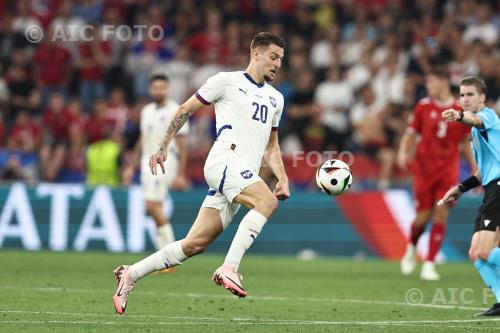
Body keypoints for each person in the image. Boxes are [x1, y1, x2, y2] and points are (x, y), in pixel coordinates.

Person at [112, 32, 290, 315]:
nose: (278, 64)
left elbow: (272, 144)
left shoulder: (276, 99)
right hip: (224, 161)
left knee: (194, 244)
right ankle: (229, 268)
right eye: (273, 57)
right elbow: (185, 109)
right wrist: (162, 146)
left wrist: (282, 176)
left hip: (241, 173)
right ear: (255, 54)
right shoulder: (226, 81)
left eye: (281, 59)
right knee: (266, 202)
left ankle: (130, 274)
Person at [398, 68, 475, 281]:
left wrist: (476, 170)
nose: (428, 86)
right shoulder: (423, 106)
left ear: (443, 82)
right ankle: (412, 247)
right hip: (423, 170)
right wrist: (403, 152)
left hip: (448, 171)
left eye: (431, 81)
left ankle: (430, 263)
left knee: (441, 213)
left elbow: (465, 144)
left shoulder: (460, 110)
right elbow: (411, 133)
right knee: (422, 219)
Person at [440, 77, 500, 316]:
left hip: (499, 186)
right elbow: (481, 171)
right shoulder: (474, 134)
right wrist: (461, 188)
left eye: (470, 95)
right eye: (462, 95)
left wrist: (459, 116)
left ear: (482, 97)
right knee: (476, 254)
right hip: (490, 187)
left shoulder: (488, 117)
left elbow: (475, 118)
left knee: (486, 251)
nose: (464, 99)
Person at [139, 74, 189, 254]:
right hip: (146, 162)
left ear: (167, 89)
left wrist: (181, 173)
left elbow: (183, 144)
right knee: (153, 207)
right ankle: (164, 256)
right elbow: (144, 138)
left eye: (162, 87)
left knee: (152, 205)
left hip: (166, 162)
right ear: (150, 89)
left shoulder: (176, 110)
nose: (159, 90)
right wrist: (131, 164)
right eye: (156, 87)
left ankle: (169, 253)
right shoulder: (146, 111)